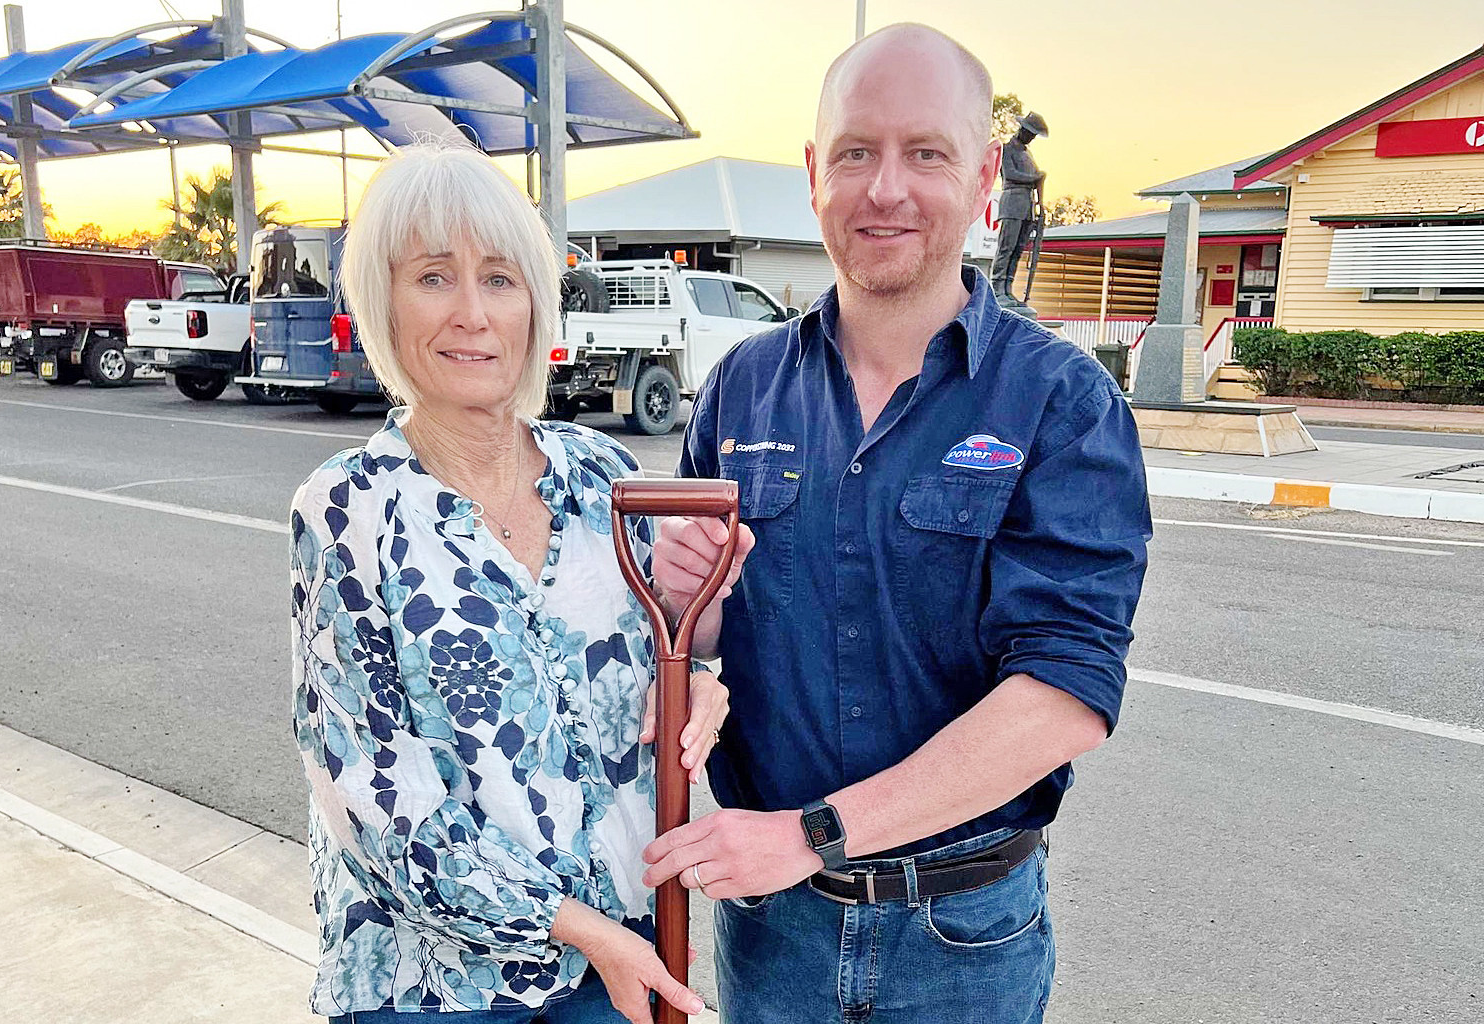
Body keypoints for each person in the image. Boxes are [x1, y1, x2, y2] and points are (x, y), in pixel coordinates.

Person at [645, 24, 1150, 1024]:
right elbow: (696, 653)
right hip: (771, 933)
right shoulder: (742, 390)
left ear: (981, 176)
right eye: (855, 152)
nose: (885, 189)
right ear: (812, 172)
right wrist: (683, 600)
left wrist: (812, 833)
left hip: (960, 942)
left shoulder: (1058, 402)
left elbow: (1064, 696)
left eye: (926, 153)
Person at [290, 142, 727, 1024]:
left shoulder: (604, 477)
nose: (471, 315)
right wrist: (580, 930)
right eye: (433, 277)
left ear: (534, 301)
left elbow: (667, 654)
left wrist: (706, 683)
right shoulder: (348, 509)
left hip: (613, 955)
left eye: (498, 278)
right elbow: (370, 792)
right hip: (431, 982)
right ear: (385, 300)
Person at [991, 111, 1049, 304]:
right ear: (1022, 130)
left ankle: (1007, 288)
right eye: (1030, 134)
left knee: (1017, 249)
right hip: (1012, 204)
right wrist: (1036, 178)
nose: (1031, 138)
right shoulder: (1008, 149)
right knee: (1006, 247)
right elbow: (1011, 174)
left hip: (1026, 206)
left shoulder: (1026, 153)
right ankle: (997, 289)